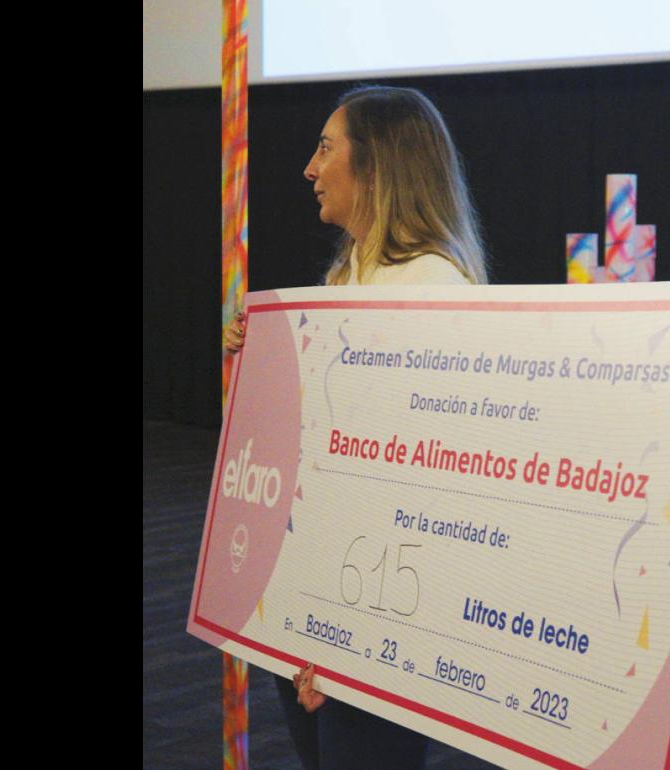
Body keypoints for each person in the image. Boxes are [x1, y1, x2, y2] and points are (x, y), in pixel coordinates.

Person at [224, 85, 489, 769]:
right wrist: (263, 360)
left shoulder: (433, 290)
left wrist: (342, 634)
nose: (309, 169)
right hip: (319, 593)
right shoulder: (352, 275)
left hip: (378, 611)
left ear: (376, 166)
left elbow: (421, 484)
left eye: (325, 148)